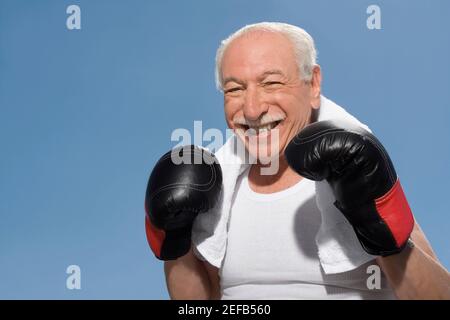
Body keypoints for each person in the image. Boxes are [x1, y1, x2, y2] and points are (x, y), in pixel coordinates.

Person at [145, 22, 450, 299]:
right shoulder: (219, 185)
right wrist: (175, 242)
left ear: (313, 84)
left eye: (271, 83)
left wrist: (376, 228)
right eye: (235, 89)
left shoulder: (353, 170)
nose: (252, 110)